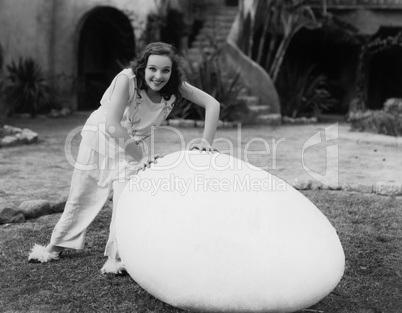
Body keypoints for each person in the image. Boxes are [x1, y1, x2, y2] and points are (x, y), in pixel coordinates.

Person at [28, 42, 220, 274]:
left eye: (165, 70)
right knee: (84, 193)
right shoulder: (126, 80)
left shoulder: (176, 86)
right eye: (153, 69)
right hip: (102, 138)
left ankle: (117, 259)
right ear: (143, 67)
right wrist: (141, 158)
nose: (158, 76)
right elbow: (111, 125)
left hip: (135, 145)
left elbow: (212, 104)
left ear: (172, 71)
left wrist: (206, 141)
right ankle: (53, 247)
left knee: (126, 200)